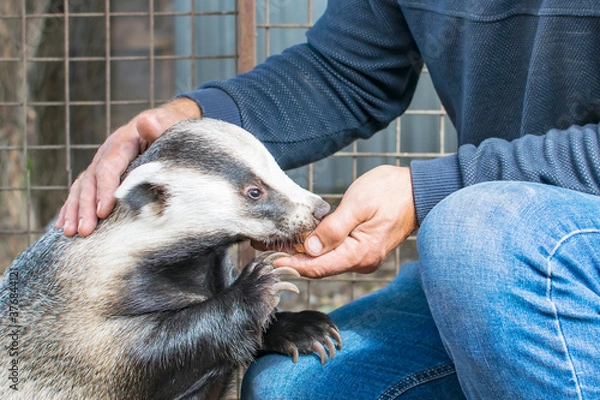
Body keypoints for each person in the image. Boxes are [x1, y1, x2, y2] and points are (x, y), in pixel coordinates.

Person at [56, 1, 600, 398]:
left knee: (475, 231)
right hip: (496, 265)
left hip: (525, 241)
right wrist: (195, 116)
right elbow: (345, 69)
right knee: (285, 389)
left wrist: (432, 189)